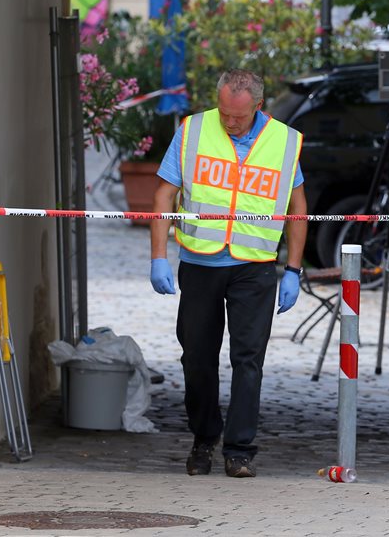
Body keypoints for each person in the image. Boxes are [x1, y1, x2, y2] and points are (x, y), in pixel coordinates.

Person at [148, 69, 307, 479]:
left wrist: (293, 268)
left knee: (248, 358)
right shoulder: (193, 130)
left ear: (258, 106)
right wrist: (158, 256)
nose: (229, 122)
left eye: (238, 116)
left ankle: (240, 450)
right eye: (224, 113)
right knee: (196, 358)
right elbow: (165, 192)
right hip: (201, 262)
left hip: (254, 267)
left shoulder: (285, 142)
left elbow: (297, 206)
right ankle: (204, 437)